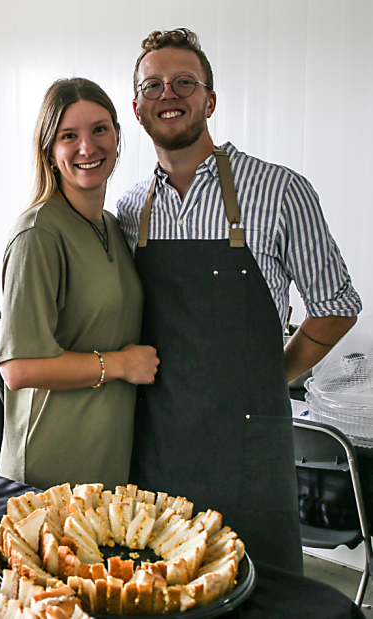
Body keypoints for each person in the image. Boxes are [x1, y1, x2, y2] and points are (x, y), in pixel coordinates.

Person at [117, 28, 362, 575]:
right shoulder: (130, 208)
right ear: (137, 108)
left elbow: (337, 303)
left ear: (210, 100)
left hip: (247, 445)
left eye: (185, 81)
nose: (168, 94)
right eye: (152, 85)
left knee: (261, 590)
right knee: (161, 585)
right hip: (156, 442)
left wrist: (272, 374)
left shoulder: (279, 190)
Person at [0, 78, 160, 491]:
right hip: (49, 471)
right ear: (50, 151)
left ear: (118, 138)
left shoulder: (113, 226)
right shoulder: (37, 233)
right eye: (69, 136)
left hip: (105, 464)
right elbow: (17, 368)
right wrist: (121, 364)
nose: (88, 148)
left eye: (99, 130)